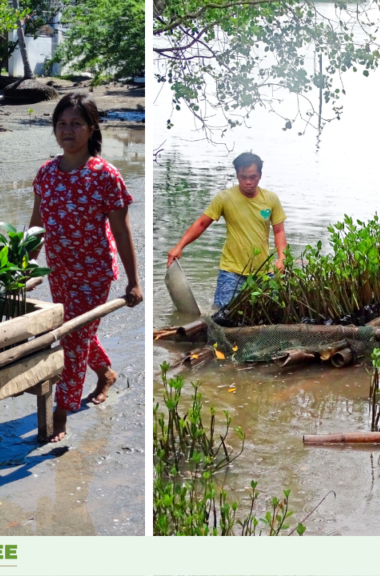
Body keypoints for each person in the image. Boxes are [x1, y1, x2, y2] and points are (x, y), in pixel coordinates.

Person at [28, 92, 143, 443]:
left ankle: (62, 413)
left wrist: (135, 282)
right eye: (61, 123)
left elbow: (122, 232)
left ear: (92, 127)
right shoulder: (46, 173)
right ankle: (105, 373)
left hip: (94, 274)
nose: (68, 130)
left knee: (73, 341)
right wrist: (24, 267)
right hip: (59, 270)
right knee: (72, 330)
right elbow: (36, 225)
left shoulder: (105, 176)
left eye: (76, 123)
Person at [167, 152, 287, 309]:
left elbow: (279, 231)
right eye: (243, 177)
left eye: (253, 177)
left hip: (262, 270)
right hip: (231, 270)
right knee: (221, 313)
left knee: (273, 311)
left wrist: (282, 258)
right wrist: (179, 246)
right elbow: (202, 224)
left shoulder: (271, 199)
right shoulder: (224, 198)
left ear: (260, 175)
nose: (248, 182)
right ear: (237, 175)